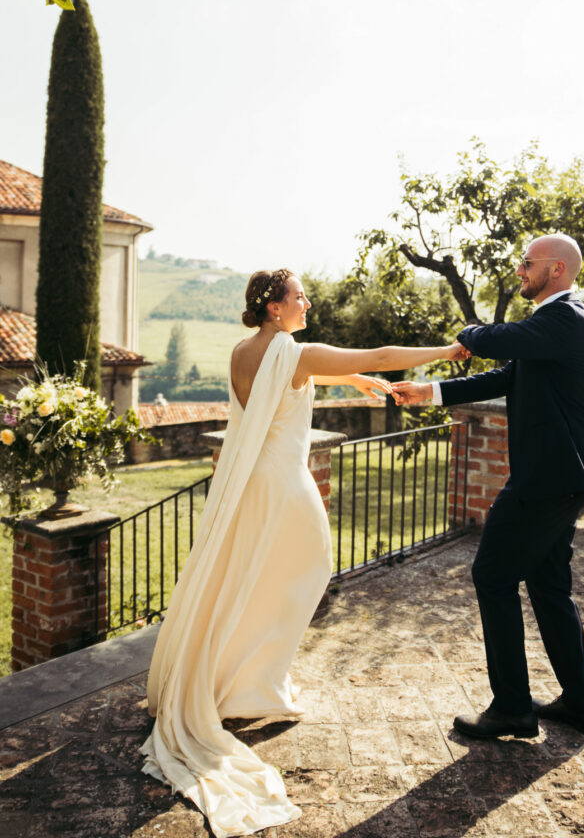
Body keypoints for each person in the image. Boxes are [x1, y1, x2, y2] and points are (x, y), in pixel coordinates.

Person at [141, 268, 466, 837]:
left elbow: (283, 389)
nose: (307, 301)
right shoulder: (298, 351)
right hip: (286, 482)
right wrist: (450, 348)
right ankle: (250, 683)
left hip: (249, 482)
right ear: (274, 307)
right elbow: (385, 352)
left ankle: (241, 678)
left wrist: (358, 381)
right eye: (298, 296)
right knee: (308, 567)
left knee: (246, 577)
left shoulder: (244, 349)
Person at [393, 234, 584, 740]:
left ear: (555, 270)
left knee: (492, 575)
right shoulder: (552, 326)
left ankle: (511, 707)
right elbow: (506, 378)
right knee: (550, 587)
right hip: (562, 477)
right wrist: (431, 391)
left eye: (526, 263)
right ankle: (579, 703)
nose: (518, 270)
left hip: (546, 479)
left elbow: (494, 341)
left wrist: (466, 334)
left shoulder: (564, 320)